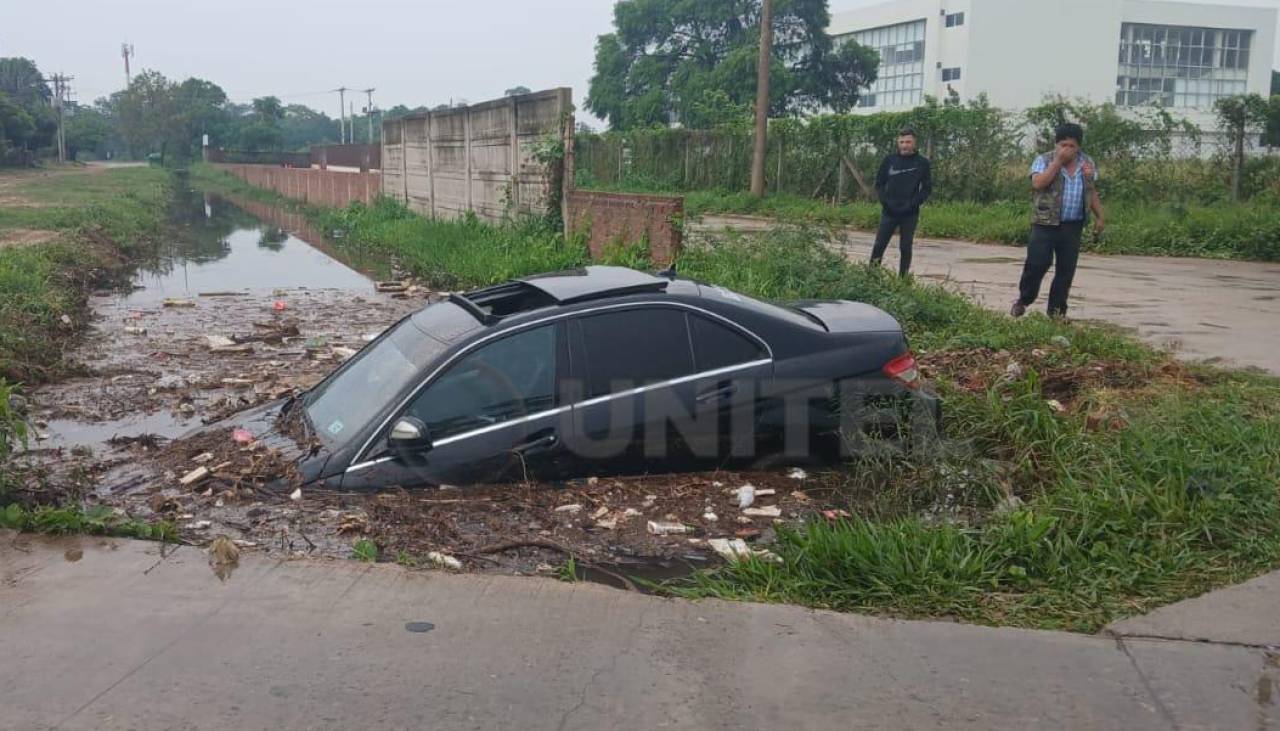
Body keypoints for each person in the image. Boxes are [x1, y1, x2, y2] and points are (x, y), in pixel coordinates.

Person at [1011, 123, 1105, 319]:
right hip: (1045, 223)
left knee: (1066, 270)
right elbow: (1038, 183)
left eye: (1071, 146)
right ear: (1056, 145)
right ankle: (1024, 299)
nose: (1067, 149)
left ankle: (1056, 313)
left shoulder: (1087, 164)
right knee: (1037, 264)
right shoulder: (1044, 160)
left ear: (1078, 146)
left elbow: (1091, 190)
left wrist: (1100, 216)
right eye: (1063, 145)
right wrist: (1057, 163)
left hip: (1073, 225)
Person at [872, 128, 932, 276]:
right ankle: (871, 276)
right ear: (898, 143)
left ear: (914, 143)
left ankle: (903, 280)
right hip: (889, 211)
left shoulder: (922, 163)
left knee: (905, 247)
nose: (904, 145)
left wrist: (913, 204)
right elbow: (879, 184)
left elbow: (926, 188)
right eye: (902, 142)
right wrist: (885, 202)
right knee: (879, 245)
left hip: (909, 212)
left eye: (908, 142)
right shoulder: (889, 160)